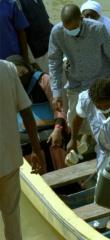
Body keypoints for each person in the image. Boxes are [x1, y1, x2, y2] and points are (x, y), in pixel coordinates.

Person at [48, 4, 110, 143]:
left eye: (74, 28)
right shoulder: (57, 32)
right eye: (67, 29)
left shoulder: (97, 29)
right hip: (76, 81)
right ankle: (77, 144)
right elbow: (54, 62)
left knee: (105, 123)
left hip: (100, 81)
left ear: (81, 18)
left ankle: (102, 147)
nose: (71, 31)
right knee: (74, 121)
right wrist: (56, 92)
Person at [0, 60, 46, 240]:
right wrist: (36, 149)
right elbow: (26, 111)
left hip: (9, 159)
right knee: (12, 216)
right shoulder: (7, 68)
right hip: (9, 158)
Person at [6, 55, 68, 170]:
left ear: (28, 68)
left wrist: (57, 129)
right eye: (17, 75)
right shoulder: (10, 88)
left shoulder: (44, 80)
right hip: (25, 132)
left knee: (54, 141)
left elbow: (59, 109)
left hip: (51, 127)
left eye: (23, 72)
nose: (21, 77)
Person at [17, 0, 53, 73]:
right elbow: (21, 32)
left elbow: (46, 21)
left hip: (51, 46)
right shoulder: (18, 3)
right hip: (37, 53)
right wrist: (28, 60)